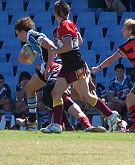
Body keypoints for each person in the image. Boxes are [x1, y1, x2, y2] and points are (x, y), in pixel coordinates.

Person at [47, 0, 119, 133]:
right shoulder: (70, 24)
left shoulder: (64, 25)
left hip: (74, 65)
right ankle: (57, 125)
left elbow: (69, 46)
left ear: (57, 13)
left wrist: (55, 50)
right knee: (56, 93)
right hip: (69, 65)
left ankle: (111, 115)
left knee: (85, 96)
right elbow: (79, 41)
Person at [40, 61, 107, 133]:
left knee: (58, 106)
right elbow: (84, 68)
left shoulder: (51, 65)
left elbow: (38, 67)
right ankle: (87, 125)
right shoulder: (70, 69)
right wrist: (89, 87)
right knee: (75, 110)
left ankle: (65, 125)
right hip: (62, 91)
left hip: (49, 90)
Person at [15, 17, 57, 128]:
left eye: (18, 34)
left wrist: (47, 68)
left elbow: (52, 47)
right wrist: (23, 57)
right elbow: (31, 60)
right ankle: (32, 120)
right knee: (30, 88)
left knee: (52, 98)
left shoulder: (33, 35)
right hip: (50, 65)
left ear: (22, 31)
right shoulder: (31, 40)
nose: (18, 37)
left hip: (53, 66)